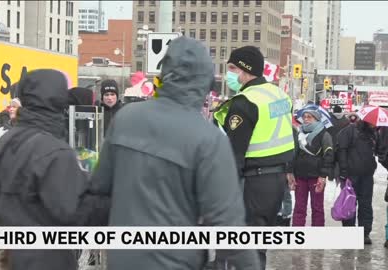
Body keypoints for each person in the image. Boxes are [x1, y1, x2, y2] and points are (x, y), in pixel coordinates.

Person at [90, 36, 260, 270]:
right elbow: (228, 224)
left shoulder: (125, 119)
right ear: (204, 83)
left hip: (124, 260)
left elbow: (98, 195)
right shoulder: (209, 140)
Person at [0, 69, 108, 270]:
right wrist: (105, 198)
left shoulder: (4, 142)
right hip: (48, 259)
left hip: (9, 256)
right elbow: (75, 213)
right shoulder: (56, 151)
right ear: (59, 100)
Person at [213, 46, 295, 268]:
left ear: (244, 70)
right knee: (257, 245)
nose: (228, 73)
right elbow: (289, 134)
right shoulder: (278, 95)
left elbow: (233, 154)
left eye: (231, 68)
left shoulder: (245, 102)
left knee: (240, 248)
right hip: (275, 183)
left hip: (252, 183)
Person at [337, 119, 378, 244]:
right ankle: (349, 233)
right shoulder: (349, 131)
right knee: (349, 203)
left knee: (366, 204)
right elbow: (341, 151)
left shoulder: (373, 133)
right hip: (350, 175)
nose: (374, 124)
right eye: (372, 122)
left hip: (367, 175)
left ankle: (364, 233)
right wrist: (343, 171)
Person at [292, 110, 334, 227]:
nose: (305, 119)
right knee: (299, 207)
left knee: (317, 208)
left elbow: (329, 156)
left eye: (309, 117)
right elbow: (294, 154)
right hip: (300, 176)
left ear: (316, 119)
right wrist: (291, 172)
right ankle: (297, 234)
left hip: (316, 177)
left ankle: (317, 235)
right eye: (304, 117)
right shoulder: (299, 133)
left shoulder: (324, 134)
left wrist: (323, 175)